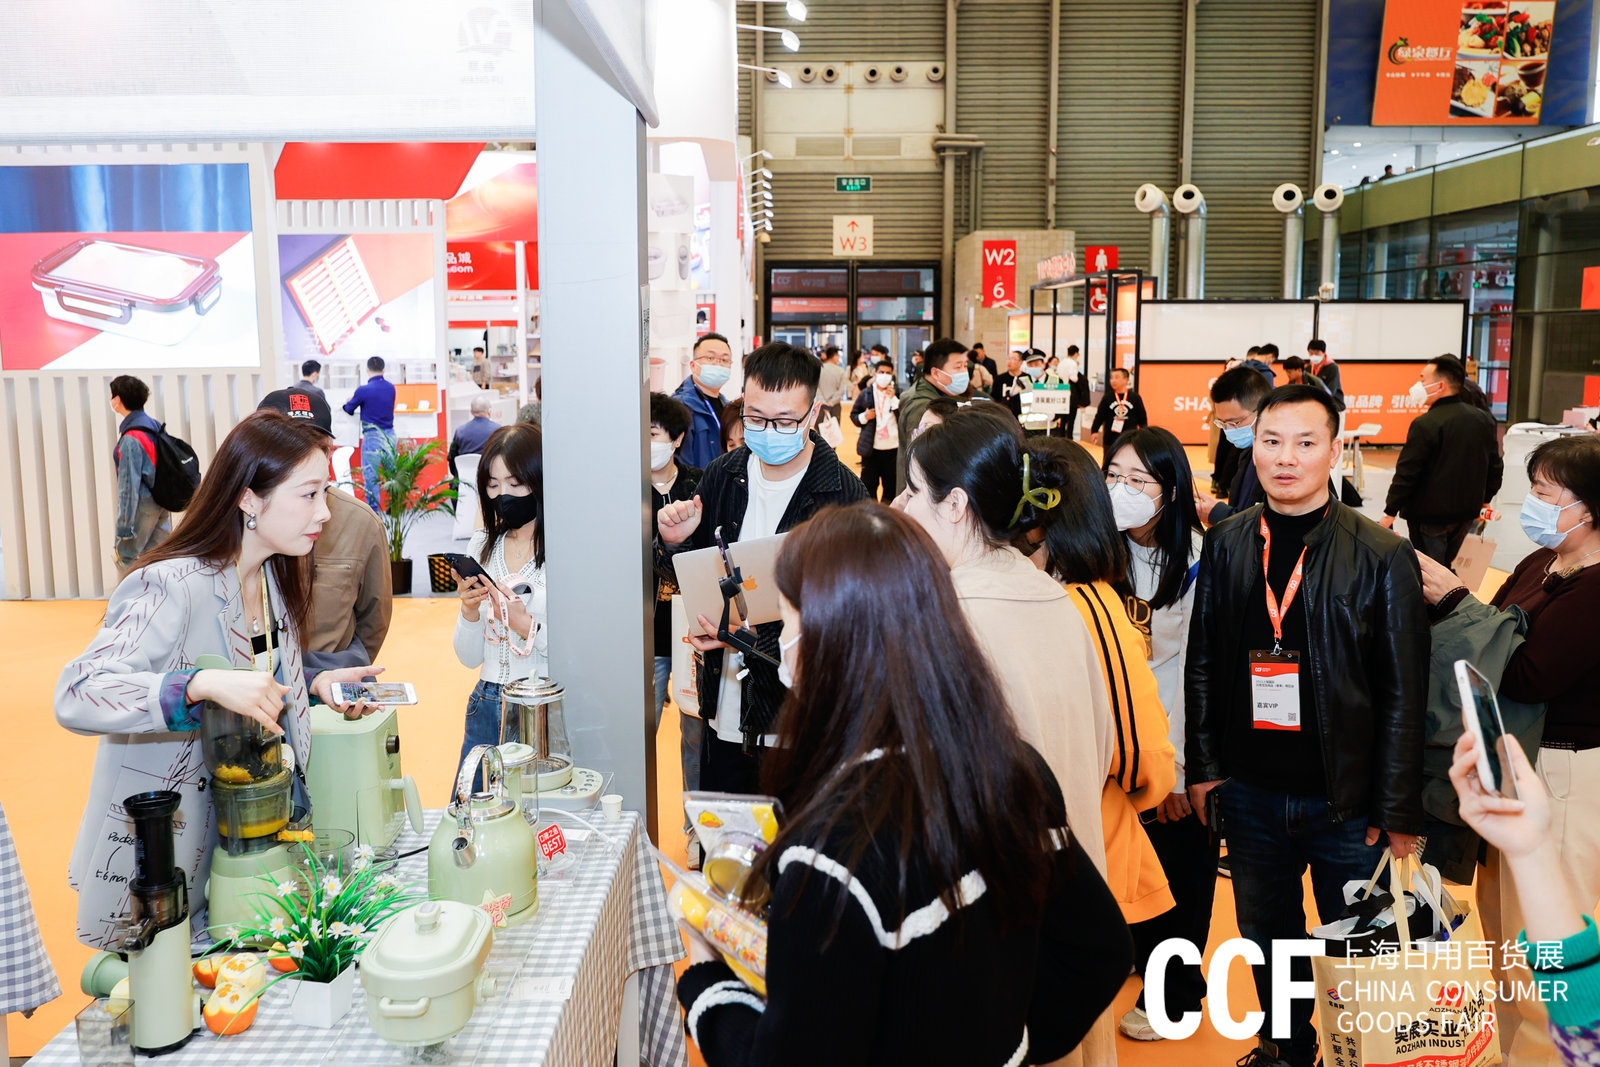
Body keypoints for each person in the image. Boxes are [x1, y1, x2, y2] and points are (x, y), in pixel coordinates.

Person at [677, 504, 1132, 1066]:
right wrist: (1011, 1042)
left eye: (789, 621)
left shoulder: (831, 854)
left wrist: (707, 984)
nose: (782, 644)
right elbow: (1099, 950)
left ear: (833, 642)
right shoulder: (1015, 768)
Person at [56, 411, 382, 948]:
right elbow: (78, 691)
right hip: (168, 857)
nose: (324, 511)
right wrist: (195, 685)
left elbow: (248, 669)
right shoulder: (171, 584)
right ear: (249, 499)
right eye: (308, 495)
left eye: (324, 493)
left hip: (247, 847)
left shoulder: (272, 574)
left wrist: (312, 684)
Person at [1186, 385, 1429, 1067]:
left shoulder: (1381, 553)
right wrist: (1204, 767)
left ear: (1334, 449)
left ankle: (1364, 1055)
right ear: (1252, 448)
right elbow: (1204, 662)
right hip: (1249, 791)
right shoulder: (1228, 540)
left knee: (1360, 948)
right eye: (1271, 441)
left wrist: (1397, 806)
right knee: (1269, 941)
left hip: (1347, 804)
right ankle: (1288, 1050)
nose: (1285, 458)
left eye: (1304, 442)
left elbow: (1404, 692)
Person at [899, 407, 1121, 1066]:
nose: (902, 507)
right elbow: (1103, 747)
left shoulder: (946, 617)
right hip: (1076, 891)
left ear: (956, 505)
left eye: (914, 490)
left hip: (998, 900)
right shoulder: (1054, 596)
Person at [1418, 434, 1600, 1065]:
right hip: (1516, 763)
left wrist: (1455, 601)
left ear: (1589, 507)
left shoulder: (1595, 586)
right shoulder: (1543, 562)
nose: (1534, 505)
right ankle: (1511, 1052)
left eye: (1546, 494)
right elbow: (1494, 634)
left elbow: (1525, 674)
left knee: (1547, 937)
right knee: (1501, 934)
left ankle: (1550, 1054)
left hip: (1565, 771)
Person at [657, 343, 868, 794]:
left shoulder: (844, 496)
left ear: (813, 414)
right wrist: (675, 543)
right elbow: (689, 577)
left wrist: (751, 637)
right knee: (725, 826)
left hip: (800, 719)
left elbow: (855, 619)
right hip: (723, 707)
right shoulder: (723, 474)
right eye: (755, 418)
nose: (769, 431)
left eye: (785, 421)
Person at [1028, 437, 1177, 930]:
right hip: (1086, 840)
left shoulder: (1025, 591)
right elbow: (1142, 756)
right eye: (1112, 476)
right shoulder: (1091, 603)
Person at [1101, 427, 1214, 1042]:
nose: (1121, 489)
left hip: (1170, 748)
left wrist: (1177, 770)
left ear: (1170, 491)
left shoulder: (1199, 559)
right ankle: (1128, 954)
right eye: (1113, 476)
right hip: (1109, 748)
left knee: (1178, 877)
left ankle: (1174, 994)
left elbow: (1198, 674)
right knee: (1121, 866)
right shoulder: (1094, 549)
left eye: (1138, 480)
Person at [1449, 725, 1600, 1065]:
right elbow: (1587, 1028)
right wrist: (1530, 849)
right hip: (1538, 763)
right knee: (1511, 970)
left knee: (1536, 992)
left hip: (1568, 757)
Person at [256, 386, 392, 671]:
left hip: (329, 683)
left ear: (329, 451)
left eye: (314, 447)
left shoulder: (360, 523)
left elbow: (374, 620)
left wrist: (336, 672)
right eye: (289, 448)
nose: (303, 460)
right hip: (247, 685)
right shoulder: (236, 517)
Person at [451, 423, 548, 790]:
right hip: (486, 702)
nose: (503, 495)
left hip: (539, 704)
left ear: (539, 481)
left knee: (535, 808)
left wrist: (527, 627)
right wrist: (469, 612)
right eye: (492, 485)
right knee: (474, 810)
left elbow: (582, 653)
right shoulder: (481, 547)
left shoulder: (565, 550)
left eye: (515, 483)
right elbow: (468, 658)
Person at [1382, 355, 1504, 565]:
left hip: (1429, 516)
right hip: (1466, 512)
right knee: (1449, 567)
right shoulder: (1482, 419)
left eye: (1423, 380)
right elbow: (1495, 465)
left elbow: (1408, 472)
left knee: (1430, 570)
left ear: (1440, 386)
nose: (1419, 385)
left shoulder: (1425, 424)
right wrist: (1485, 499)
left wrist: (1390, 511)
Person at [647, 394, 705, 824]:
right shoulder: (624, 489)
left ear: (677, 439)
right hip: (645, 635)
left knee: (696, 735)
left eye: (652, 434)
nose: (644, 443)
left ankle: (695, 828)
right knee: (637, 732)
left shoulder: (699, 484)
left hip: (691, 632)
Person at [109, 375, 172, 574]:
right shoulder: (154, 426)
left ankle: (131, 596)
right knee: (158, 560)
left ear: (118, 400)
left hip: (142, 507)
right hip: (162, 502)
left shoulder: (131, 437)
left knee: (127, 561)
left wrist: (124, 527)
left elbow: (128, 487)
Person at [1195, 364, 1272, 525]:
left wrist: (1218, 513)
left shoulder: (1281, 462)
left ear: (1262, 410)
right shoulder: (1248, 451)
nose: (1229, 430)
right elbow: (1243, 508)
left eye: (1235, 422)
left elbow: (1266, 524)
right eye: (1222, 424)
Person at [895, 337, 970, 494]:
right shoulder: (922, 406)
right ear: (936, 372)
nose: (964, 372)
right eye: (958, 367)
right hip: (923, 494)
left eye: (965, 365)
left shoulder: (938, 394)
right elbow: (921, 460)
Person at [343, 355, 397, 511]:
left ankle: (373, 511)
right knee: (392, 473)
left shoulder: (363, 390)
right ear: (383, 369)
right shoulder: (391, 388)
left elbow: (349, 409)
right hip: (390, 434)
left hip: (372, 436)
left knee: (371, 475)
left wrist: (349, 401)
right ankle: (394, 506)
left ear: (367, 369)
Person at [674, 333, 734, 470]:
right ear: (693, 365)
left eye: (724, 360)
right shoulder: (681, 408)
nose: (718, 364)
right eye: (710, 358)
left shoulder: (728, 407)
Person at [850, 359, 899, 502]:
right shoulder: (866, 394)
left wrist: (894, 399)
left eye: (888, 373)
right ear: (875, 373)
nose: (884, 375)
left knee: (891, 488)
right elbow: (854, 416)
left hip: (893, 449)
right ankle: (871, 514)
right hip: (871, 449)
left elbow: (903, 418)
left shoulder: (898, 393)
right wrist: (864, 416)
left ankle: (886, 513)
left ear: (892, 375)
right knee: (868, 487)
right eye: (881, 372)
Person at [1089, 367, 1148, 455]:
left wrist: (1144, 434)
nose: (1113, 380)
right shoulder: (1107, 398)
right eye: (1111, 378)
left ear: (1126, 380)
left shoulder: (1135, 397)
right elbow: (1100, 416)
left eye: (1117, 377)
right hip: (1110, 440)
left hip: (1129, 440)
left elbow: (1142, 418)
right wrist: (1094, 431)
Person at [449, 392, 502, 485]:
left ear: (471, 411)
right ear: (489, 411)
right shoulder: (498, 431)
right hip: (489, 481)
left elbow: (452, 457)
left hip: (463, 483)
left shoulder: (460, 431)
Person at [1307, 339, 1344, 410]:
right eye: (1311, 353)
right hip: (1317, 406)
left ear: (1324, 352)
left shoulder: (1332, 367)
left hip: (1334, 406)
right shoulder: (1308, 368)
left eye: (1316, 353)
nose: (1313, 356)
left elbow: (1330, 391)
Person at [993, 350, 1031, 417]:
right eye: (1008, 359)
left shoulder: (1027, 378)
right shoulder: (999, 379)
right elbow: (995, 398)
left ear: (1021, 362)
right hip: (1004, 415)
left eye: (1013, 359)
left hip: (1022, 415)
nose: (1009, 362)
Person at [816, 345, 846, 424]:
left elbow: (816, 388)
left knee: (819, 429)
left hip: (820, 405)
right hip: (835, 406)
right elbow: (841, 390)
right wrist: (830, 403)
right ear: (834, 356)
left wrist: (823, 401)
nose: (838, 357)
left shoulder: (818, 369)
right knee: (834, 430)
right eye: (838, 355)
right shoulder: (840, 371)